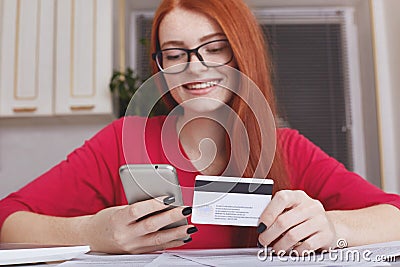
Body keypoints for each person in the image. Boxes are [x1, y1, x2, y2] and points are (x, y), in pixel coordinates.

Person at [1, 0, 400, 255]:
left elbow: (394, 214)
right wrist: (93, 231)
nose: (195, 66)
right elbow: (8, 221)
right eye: (175, 54)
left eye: (214, 48)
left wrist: (333, 226)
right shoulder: (121, 141)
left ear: (242, 52)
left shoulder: (285, 147)